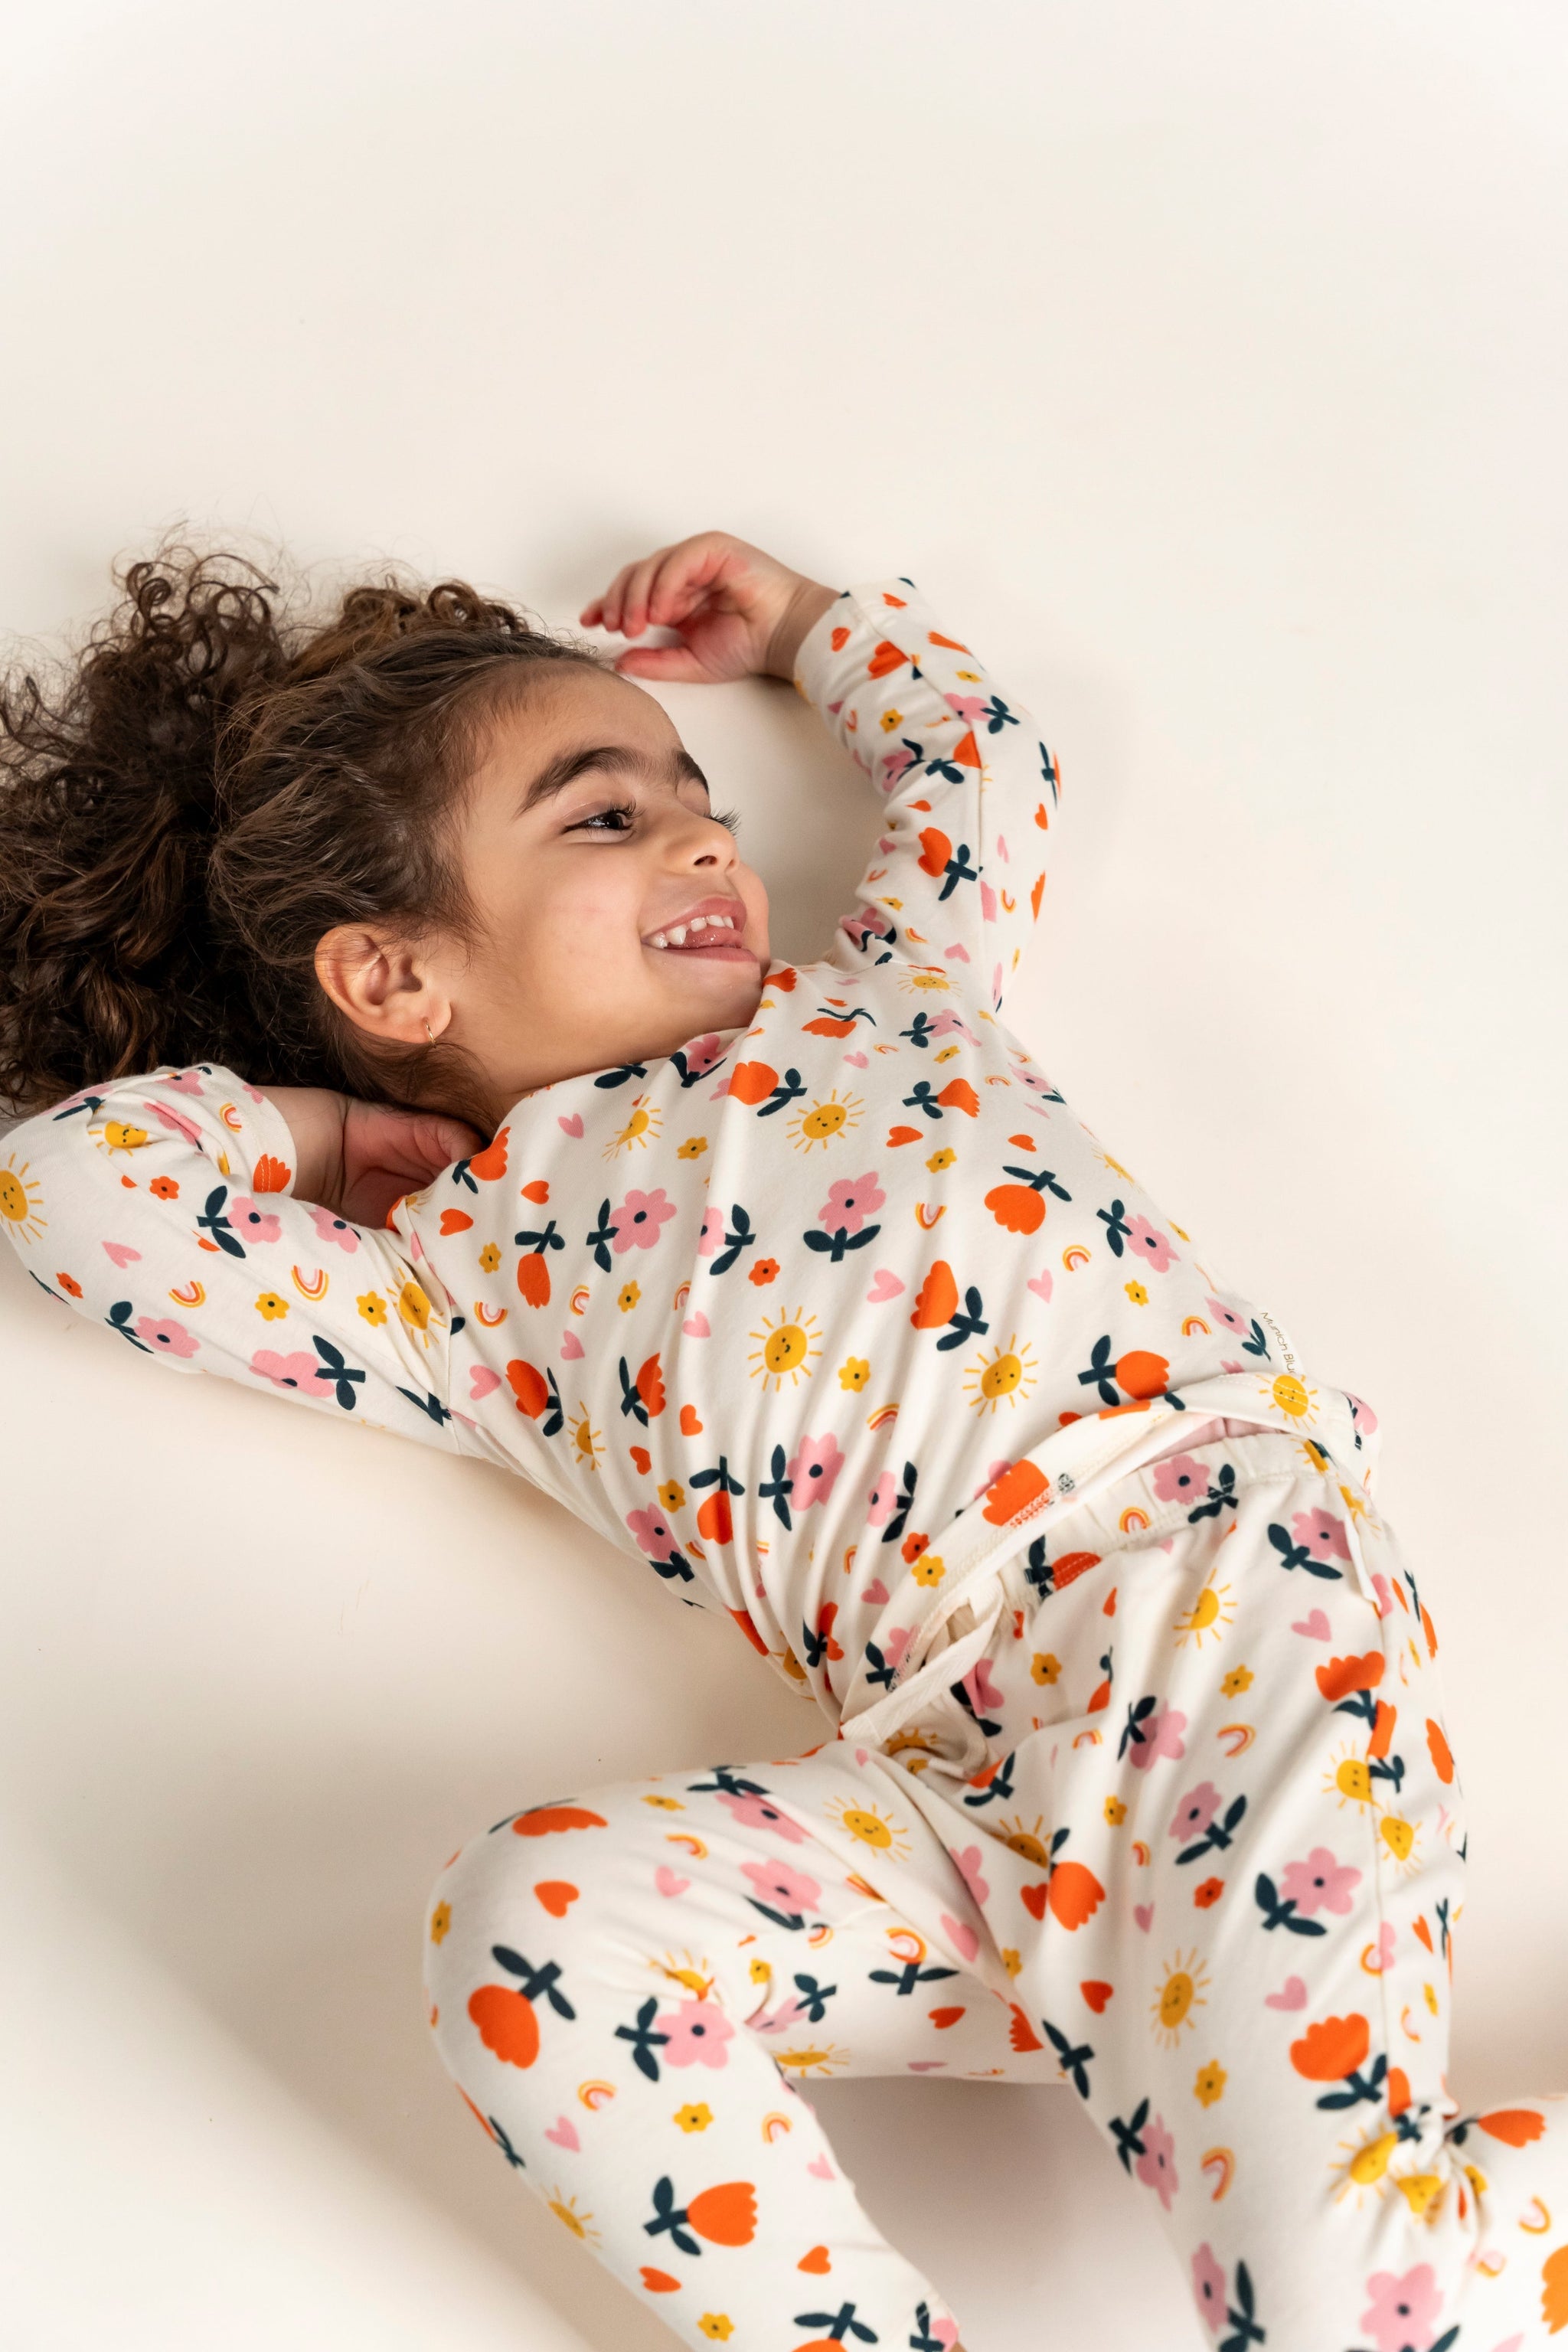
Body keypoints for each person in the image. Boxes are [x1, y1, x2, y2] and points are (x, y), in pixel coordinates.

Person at [1, 528, 1561, 2350]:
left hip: (1207, 1611)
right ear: (393, 981)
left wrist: (816, 629)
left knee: (1343, 2304)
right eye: (603, 817)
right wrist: (326, 1143)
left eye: (697, 797)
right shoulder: (461, 1293)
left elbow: (983, 766)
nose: (705, 839)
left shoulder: (888, 1002)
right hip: (962, 1782)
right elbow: (73, 1192)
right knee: (540, 1931)